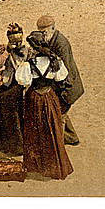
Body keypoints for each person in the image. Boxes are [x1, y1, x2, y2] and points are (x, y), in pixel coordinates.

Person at [15, 31, 74, 179]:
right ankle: (52, 165)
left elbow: (23, 81)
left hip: (34, 99)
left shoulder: (28, 65)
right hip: (49, 97)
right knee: (51, 128)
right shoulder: (55, 62)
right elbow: (61, 77)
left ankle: (37, 166)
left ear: (34, 48)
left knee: (35, 131)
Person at [38, 15, 83, 146]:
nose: (42, 36)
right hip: (61, 84)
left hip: (68, 86)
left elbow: (66, 71)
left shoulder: (61, 44)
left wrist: (62, 91)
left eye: (44, 32)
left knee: (58, 114)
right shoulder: (51, 40)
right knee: (61, 111)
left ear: (52, 28)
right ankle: (71, 138)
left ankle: (58, 145)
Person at [0, 23, 28, 156]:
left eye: (18, 40)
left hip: (22, 85)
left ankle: (20, 146)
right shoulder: (4, 50)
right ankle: (6, 145)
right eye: (13, 41)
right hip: (8, 84)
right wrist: (7, 52)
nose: (16, 43)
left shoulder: (26, 50)